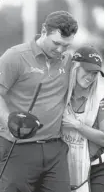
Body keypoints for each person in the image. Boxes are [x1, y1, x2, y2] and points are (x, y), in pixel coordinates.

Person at [0, 11, 78, 192]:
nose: (60, 50)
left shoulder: (68, 60)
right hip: (17, 147)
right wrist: (8, 120)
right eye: (56, 43)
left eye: (66, 46)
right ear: (44, 31)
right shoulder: (15, 56)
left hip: (55, 149)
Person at [61, 45, 104, 192]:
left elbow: (103, 138)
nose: (91, 77)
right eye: (87, 71)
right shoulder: (59, 91)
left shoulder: (100, 98)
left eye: (95, 73)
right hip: (60, 167)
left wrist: (77, 125)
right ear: (75, 67)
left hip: (94, 168)